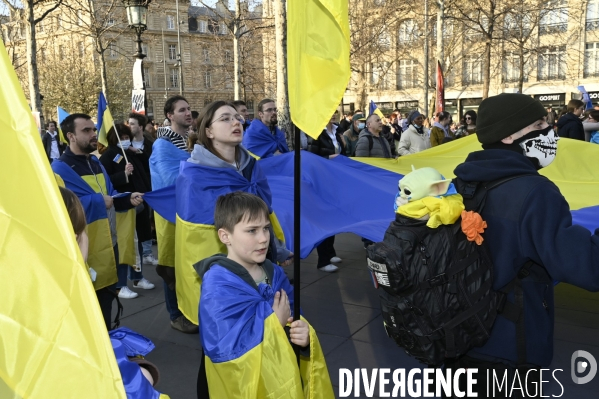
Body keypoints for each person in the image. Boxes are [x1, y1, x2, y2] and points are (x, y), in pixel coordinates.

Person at [449, 93, 599, 396]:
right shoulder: (535, 193)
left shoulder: (465, 179)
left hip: (461, 330)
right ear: (508, 135)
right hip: (510, 344)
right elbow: (589, 268)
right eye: (539, 123)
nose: (550, 130)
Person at [194, 192, 333, 398]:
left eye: (266, 229)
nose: (263, 239)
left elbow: (295, 314)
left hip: (280, 373)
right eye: (252, 231)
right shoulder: (218, 284)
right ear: (225, 236)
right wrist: (273, 323)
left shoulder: (275, 272)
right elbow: (222, 347)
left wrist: (303, 337)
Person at [52, 113, 144, 329]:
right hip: (84, 251)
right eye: (86, 131)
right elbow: (62, 209)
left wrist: (127, 199)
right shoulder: (58, 170)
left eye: (93, 129)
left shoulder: (94, 162)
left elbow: (110, 196)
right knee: (86, 315)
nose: (94, 134)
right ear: (70, 136)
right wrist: (98, 201)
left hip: (108, 245)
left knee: (106, 307)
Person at [149, 96, 199, 334]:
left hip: (188, 209)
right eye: (182, 110)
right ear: (170, 115)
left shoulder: (189, 139)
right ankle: (175, 315)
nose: (188, 113)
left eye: (189, 109)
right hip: (170, 212)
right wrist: (196, 166)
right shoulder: (162, 145)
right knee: (171, 264)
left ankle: (190, 309)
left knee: (188, 261)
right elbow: (169, 178)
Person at [99, 123, 155, 298]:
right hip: (121, 206)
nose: (125, 141)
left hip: (137, 204)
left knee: (136, 243)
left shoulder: (131, 153)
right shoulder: (107, 157)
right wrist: (123, 174)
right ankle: (120, 284)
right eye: (121, 138)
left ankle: (137, 277)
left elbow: (146, 170)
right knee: (124, 245)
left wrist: (139, 153)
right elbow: (105, 181)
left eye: (126, 138)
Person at [307, 112, 345, 273]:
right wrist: (329, 157)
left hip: (335, 179)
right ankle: (322, 260)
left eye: (335, 111)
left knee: (334, 217)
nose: (333, 114)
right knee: (324, 218)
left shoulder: (337, 131)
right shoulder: (316, 133)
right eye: (329, 111)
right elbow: (310, 157)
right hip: (322, 180)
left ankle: (330, 253)